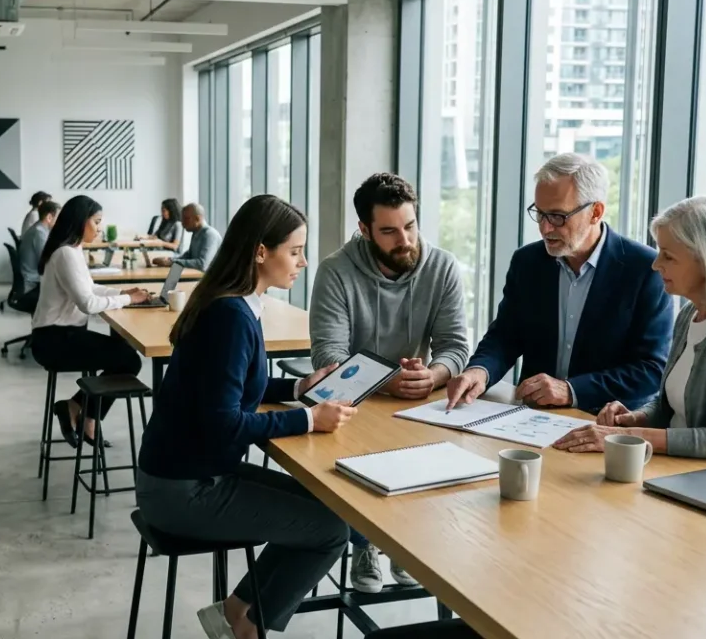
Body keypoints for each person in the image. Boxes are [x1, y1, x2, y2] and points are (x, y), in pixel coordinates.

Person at [136, 194, 354, 639]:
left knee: (324, 506)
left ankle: (233, 611)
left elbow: (231, 391)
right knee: (332, 530)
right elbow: (225, 422)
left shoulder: (230, 302)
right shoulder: (231, 315)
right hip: (185, 491)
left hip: (185, 475)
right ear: (260, 252)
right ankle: (248, 626)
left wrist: (297, 389)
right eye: (294, 251)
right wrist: (310, 421)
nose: (304, 262)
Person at [308, 172, 470, 593]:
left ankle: (404, 542)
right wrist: (387, 381)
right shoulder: (335, 272)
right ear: (364, 230)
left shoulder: (443, 267)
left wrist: (433, 374)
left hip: (415, 406)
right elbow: (328, 356)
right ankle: (366, 542)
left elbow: (455, 346)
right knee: (354, 451)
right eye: (389, 232)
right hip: (355, 404)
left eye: (411, 226)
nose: (405, 240)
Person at [555, 195, 706, 478]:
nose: (656, 265)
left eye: (668, 256)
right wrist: (637, 417)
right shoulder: (691, 312)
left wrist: (628, 435)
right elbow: (672, 406)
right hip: (686, 475)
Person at [446, 152, 674, 413]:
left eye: (557, 216)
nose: (544, 228)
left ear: (595, 212)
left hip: (604, 421)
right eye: (539, 214)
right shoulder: (527, 262)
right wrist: (480, 371)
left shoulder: (646, 269)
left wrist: (571, 390)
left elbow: (651, 370)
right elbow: (506, 335)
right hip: (531, 417)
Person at [30, 195, 150, 448]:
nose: (99, 228)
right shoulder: (65, 253)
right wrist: (128, 299)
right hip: (55, 341)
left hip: (62, 335)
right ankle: (78, 411)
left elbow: (90, 287)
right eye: (96, 222)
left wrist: (125, 294)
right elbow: (88, 303)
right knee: (128, 360)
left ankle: (84, 415)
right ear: (80, 221)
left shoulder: (71, 249)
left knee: (125, 358)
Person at [151, 203, 222, 270]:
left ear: (197, 219)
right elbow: (189, 255)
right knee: (170, 276)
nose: (182, 223)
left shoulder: (210, 234)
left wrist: (171, 262)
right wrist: (169, 259)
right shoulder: (196, 232)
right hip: (197, 274)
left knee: (170, 277)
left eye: (186, 219)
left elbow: (202, 264)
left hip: (207, 279)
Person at [18, 200, 60, 307]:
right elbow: (47, 261)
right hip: (33, 282)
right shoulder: (39, 232)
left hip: (33, 278)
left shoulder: (40, 229)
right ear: (49, 217)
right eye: (59, 218)